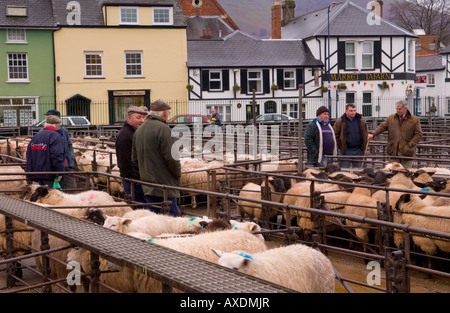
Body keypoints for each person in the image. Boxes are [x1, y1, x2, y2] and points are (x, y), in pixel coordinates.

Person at [132, 100, 181, 216]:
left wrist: (146, 173)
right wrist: (177, 175)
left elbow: (134, 159)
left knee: (152, 218)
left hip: (148, 185)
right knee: (172, 218)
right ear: (164, 114)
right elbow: (172, 158)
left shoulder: (139, 131)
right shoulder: (164, 129)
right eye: (168, 113)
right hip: (164, 186)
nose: (168, 116)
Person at [368, 100, 422, 168]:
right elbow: (382, 126)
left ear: (405, 109)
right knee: (393, 173)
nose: (398, 110)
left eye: (400, 109)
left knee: (405, 173)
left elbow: (418, 134)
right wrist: (373, 134)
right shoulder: (391, 118)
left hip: (406, 153)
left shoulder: (414, 119)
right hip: (394, 151)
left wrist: (410, 145)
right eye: (397, 109)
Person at [116, 105, 148, 206]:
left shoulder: (134, 133)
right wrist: (136, 178)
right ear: (129, 119)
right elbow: (124, 161)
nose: (142, 121)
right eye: (138, 118)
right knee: (140, 207)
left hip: (136, 179)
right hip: (133, 181)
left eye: (143, 118)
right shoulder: (126, 136)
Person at [26, 115, 65, 188]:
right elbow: (56, 155)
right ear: (55, 125)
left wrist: (30, 170)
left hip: (36, 172)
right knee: (48, 195)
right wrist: (60, 171)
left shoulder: (37, 136)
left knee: (40, 194)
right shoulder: (55, 136)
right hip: (48, 172)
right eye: (58, 124)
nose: (59, 126)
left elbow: (29, 153)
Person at [44, 110, 77, 190]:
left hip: (66, 163)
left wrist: (71, 158)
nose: (47, 118)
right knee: (53, 187)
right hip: (53, 165)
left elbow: (69, 144)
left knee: (70, 187)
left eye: (49, 116)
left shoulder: (63, 131)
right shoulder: (44, 132)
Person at [333, 104, 368, 168]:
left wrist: (363, 146)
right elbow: (335, 134)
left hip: (358, 150)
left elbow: (365, 133)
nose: (353, 112)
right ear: (346, 111)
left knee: (359, 171)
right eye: (351, 111)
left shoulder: (361, 122)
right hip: (346, 151)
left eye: (354, 110)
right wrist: (340, 146)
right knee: (344, 171)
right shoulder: (340, 122)